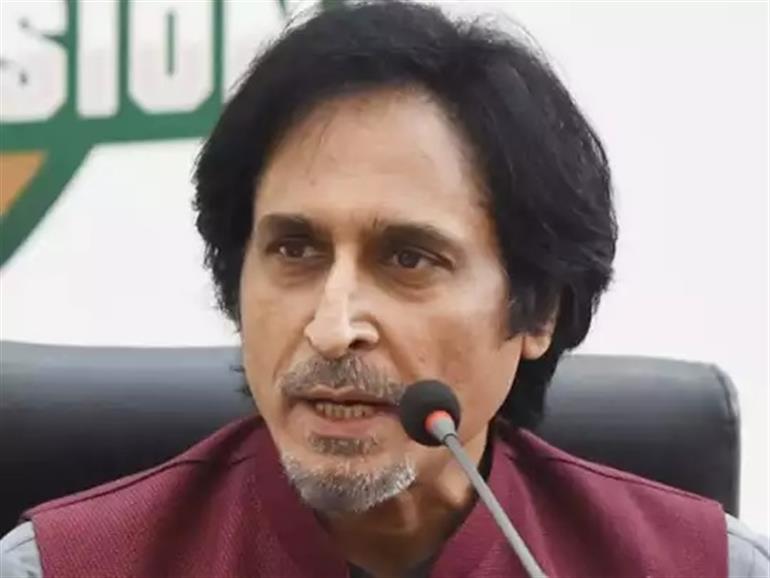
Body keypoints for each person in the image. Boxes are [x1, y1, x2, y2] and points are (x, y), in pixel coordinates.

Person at [2, 2, 768, 577]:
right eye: (294, 249)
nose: (332, 328)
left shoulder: (709, 567)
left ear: (538, 308)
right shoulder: (60, 567)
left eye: (408, 259)